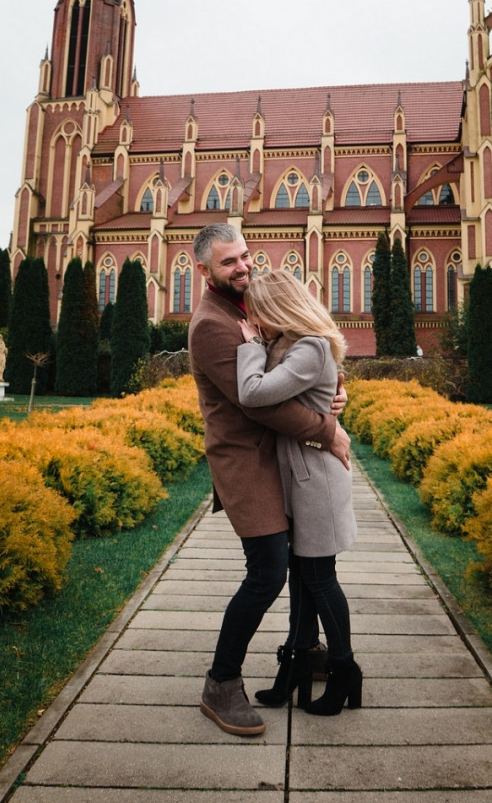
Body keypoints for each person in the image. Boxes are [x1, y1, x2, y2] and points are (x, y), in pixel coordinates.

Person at [187, 224, 351, 737]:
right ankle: (221, 682)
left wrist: (332, 394)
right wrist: (329, 431)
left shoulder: (244, 303)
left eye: (245, 256)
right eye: (229, 263)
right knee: (268, 572)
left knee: (305, 565)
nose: (243, 267)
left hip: (281, 457)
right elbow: (258, 404)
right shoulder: (212, 324)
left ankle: (305, 655)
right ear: (203, 272)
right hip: (247, 461)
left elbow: (295, 360)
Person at [237, 270, 362, 716]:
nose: (254, 323)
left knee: (320, 580)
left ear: (277, 309)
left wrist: (250, 346)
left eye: (258, 314)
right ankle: (293, 666)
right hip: (299, 479)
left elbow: (253, 394)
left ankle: (345, 670)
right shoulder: (288, 344)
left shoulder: (308, 347)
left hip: (318, 481)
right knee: (302, 579)